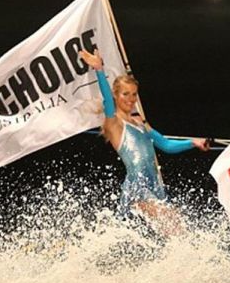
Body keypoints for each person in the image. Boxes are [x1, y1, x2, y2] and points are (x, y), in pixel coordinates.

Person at [79, 49, 208, 234]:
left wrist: (192, 143)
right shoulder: (114, 123)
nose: (131, 99)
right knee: (173, 226)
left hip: (155, 184)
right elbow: (107, 100)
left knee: (173, 231)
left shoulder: (140, 122)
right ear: (116, 95)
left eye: (134, 94)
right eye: (125, 94)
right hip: (137, 187)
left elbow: (165, 145)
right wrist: (99, 70)